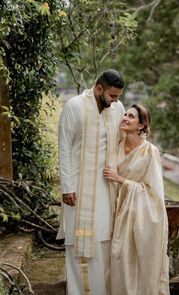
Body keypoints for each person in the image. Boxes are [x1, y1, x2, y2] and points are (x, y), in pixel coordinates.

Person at [56, 69, 125, 295]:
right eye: (112, 96)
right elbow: (64, 149)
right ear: (98, 89)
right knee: (79, 243)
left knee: (104, 240)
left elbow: (123, 144)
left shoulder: (117, 109)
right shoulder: (74, 106)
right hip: (76, 188)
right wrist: (67, 186)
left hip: (106, 188)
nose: (116, 101)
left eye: (118, 96)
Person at [104, 104, 170, 295]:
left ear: (141, 125)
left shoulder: (150, 151)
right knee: (119, 261)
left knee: (139, 265)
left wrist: (120, 179)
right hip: (116, 213)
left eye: (131, 116)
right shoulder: (115, 147)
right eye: (125, 114)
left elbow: (153, 193)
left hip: (142, 218)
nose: (124, 118)